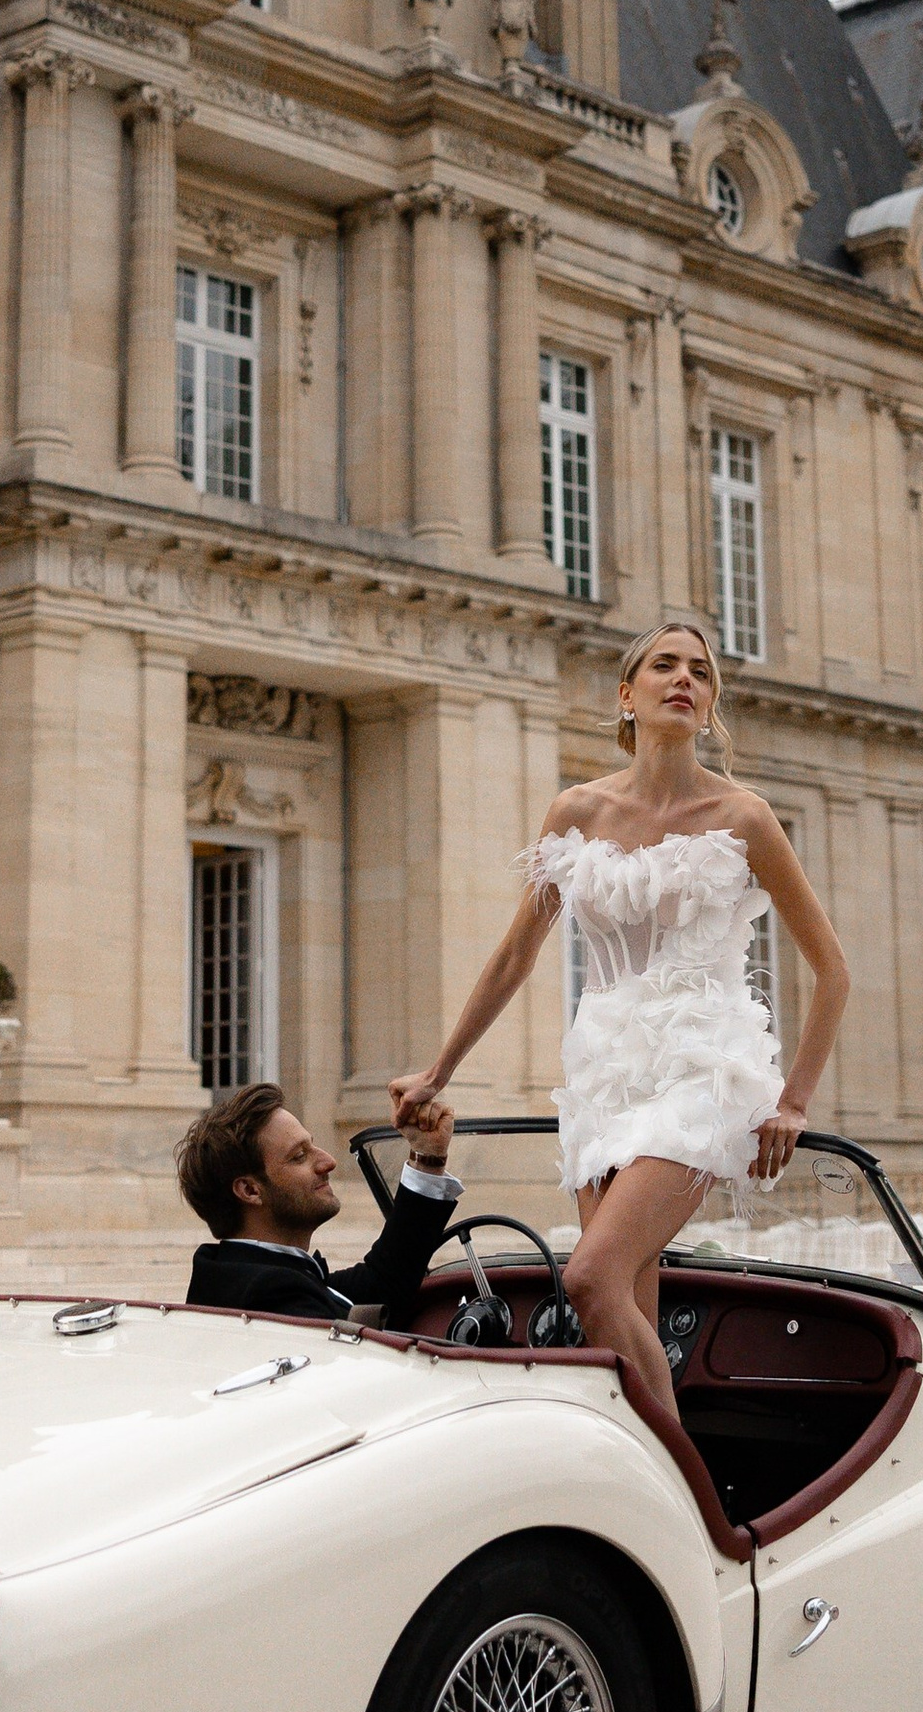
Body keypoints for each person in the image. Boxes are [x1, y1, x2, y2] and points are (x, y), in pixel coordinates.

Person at [389, 614, 850, 1435]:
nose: (685, 679)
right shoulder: (576, 811)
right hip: (603, 1074)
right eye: (666, 666)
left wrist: (794, 1101)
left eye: (701, 673)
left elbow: (833, 973)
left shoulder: (743, 818)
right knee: (620, 1314)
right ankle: (657, 1487)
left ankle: (685, 1495)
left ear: (709, 705)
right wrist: (439, 1073)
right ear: (626, 694)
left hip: (705, 1068)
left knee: (589, 1279)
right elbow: (512, 958)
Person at [178, 1084, 464, 1327]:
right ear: (251, 1190)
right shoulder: (270, 1297)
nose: (328, 1161)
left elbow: (382, 1283)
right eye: (299, 1156)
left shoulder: (244, 1274)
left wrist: (428, 1156)